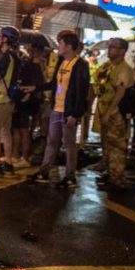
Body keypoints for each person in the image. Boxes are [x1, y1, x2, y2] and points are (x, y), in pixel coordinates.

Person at [31, 30, 90, 188]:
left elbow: (81, 91)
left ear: (69, 46)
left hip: (68, 111)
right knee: (52, 141)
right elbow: (54, 84)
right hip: (56, 108)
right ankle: (44, 171)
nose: (58, 46)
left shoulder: (81, 65)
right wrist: (36, 87)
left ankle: (70, 176)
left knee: (69, 144)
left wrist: (75, 114)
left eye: (61, 43)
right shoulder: (61, 62)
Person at [92, 38, 134, 190]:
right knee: (106, 144)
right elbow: (97, 82)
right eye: (109, 47)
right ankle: (110, 173)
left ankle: (117, 179)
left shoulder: (124, 69)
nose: (109, 49)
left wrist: (109, 113)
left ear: (122, 51)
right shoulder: (107, 66)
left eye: (113, 47)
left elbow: (120, 93)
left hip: (115, 113)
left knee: (116, 146)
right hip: (104, 110)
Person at [0, 26, 21, 176]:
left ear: (6, 39)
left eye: (0, 36)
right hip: (9, 100)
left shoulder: (5, 57)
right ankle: (8, 163)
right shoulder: (14, 57)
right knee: (6, 132)